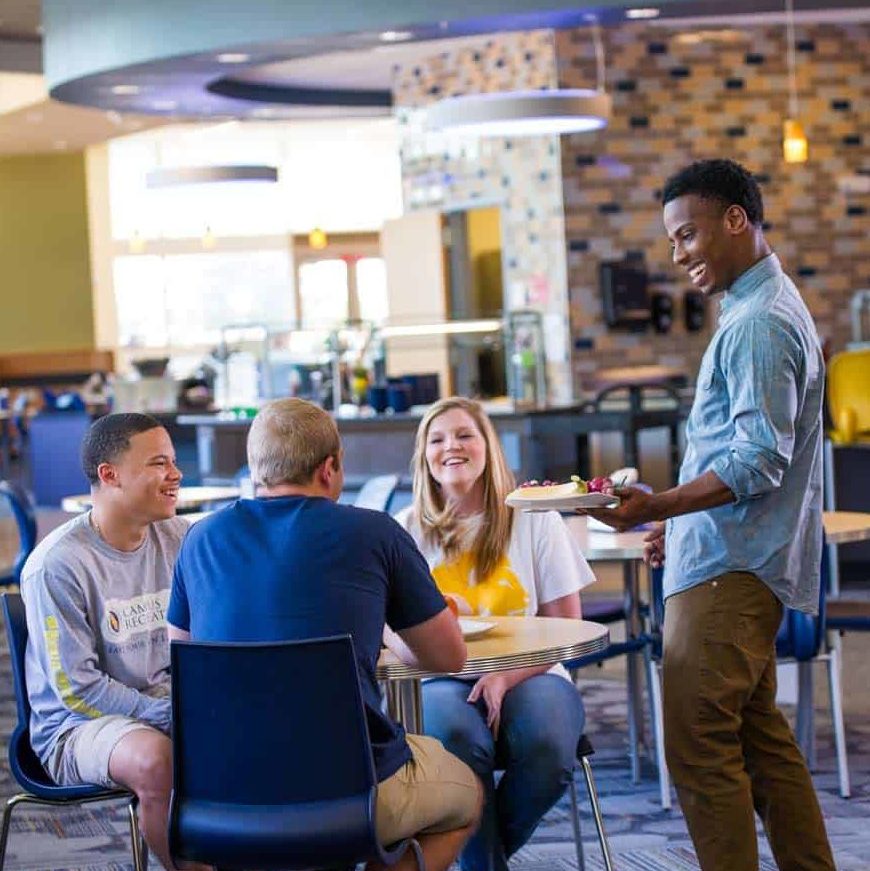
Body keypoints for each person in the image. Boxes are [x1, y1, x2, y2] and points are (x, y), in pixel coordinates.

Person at [586, 159, 835, 871]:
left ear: (736, 220)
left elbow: (760, 459)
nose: (678, 255)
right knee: (761, 743)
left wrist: (661, 503)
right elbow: (738, 453)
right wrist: (681, 520)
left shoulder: (760, 321)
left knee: (696, 746)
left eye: (687, 234)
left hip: (733, 573)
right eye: (671, 241)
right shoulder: (761, 308)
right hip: (733, 558)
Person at [166, 398, 482, 871]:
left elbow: (181, 659)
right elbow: (447, 657)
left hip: (223, 792)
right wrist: (388, 634)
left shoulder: (199, 539)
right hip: (354, 793)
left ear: (255, 471)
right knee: (466, 795)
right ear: (330, 467)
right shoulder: (375, 532)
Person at [393, 396, 597, 871]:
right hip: (441, 677)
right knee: (457, 742)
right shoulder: (404, 532)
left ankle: (481, 859)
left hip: (533, 673)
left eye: (465, 434)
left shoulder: (534, 518)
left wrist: (506, 678)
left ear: (489, 447)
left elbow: (567, 625)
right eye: (437, 439)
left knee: (547, 745)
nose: (451, 447)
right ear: (424, 455)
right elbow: (393, 632)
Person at [20, 413, 208, 871]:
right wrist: (167, 714)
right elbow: (77, 689)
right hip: (76, 727)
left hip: (163, 704)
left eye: (174, 461)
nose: (176, 474)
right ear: (110, 475)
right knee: (154, 760)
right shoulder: (59, 564)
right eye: (159, 463)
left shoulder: (181, 539)